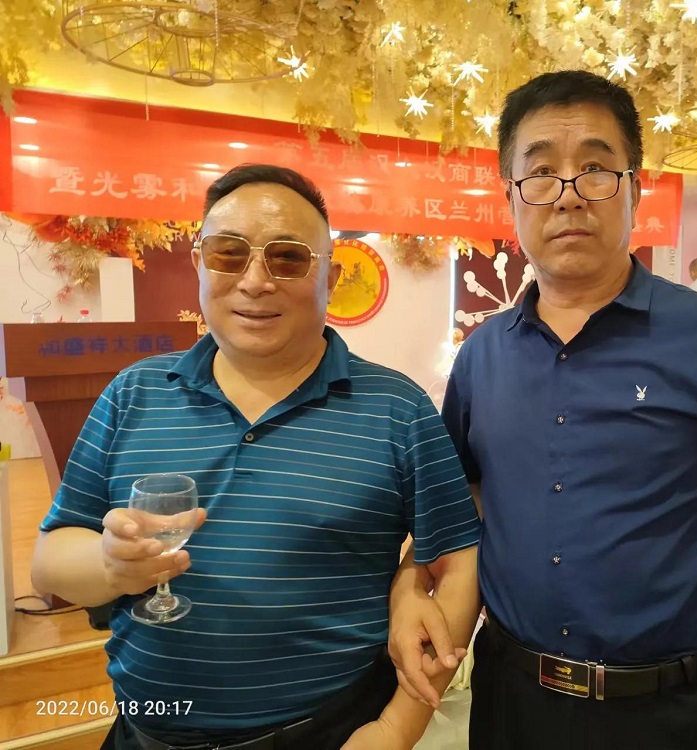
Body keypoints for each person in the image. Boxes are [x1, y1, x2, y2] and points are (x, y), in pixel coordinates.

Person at [392, 70, 697, 750]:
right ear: (511, 197)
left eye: (596, 169)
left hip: (673, 709)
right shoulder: (483, 356)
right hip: (513, 700)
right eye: (541, 173)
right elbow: (465, 501)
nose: (569, 194)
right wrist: (410, 583)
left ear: (635, 189)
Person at [30, 164, 482, 750]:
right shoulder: (133, 394)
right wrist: (111, 567)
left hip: (332, 731)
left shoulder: (396, 408)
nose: (255, 281)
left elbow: (458, 560)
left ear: (330, 277)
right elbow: (51, 558)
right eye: (229, 253)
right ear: (199, 263)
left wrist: (396, 729)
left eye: (288, 258)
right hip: (144, 732)